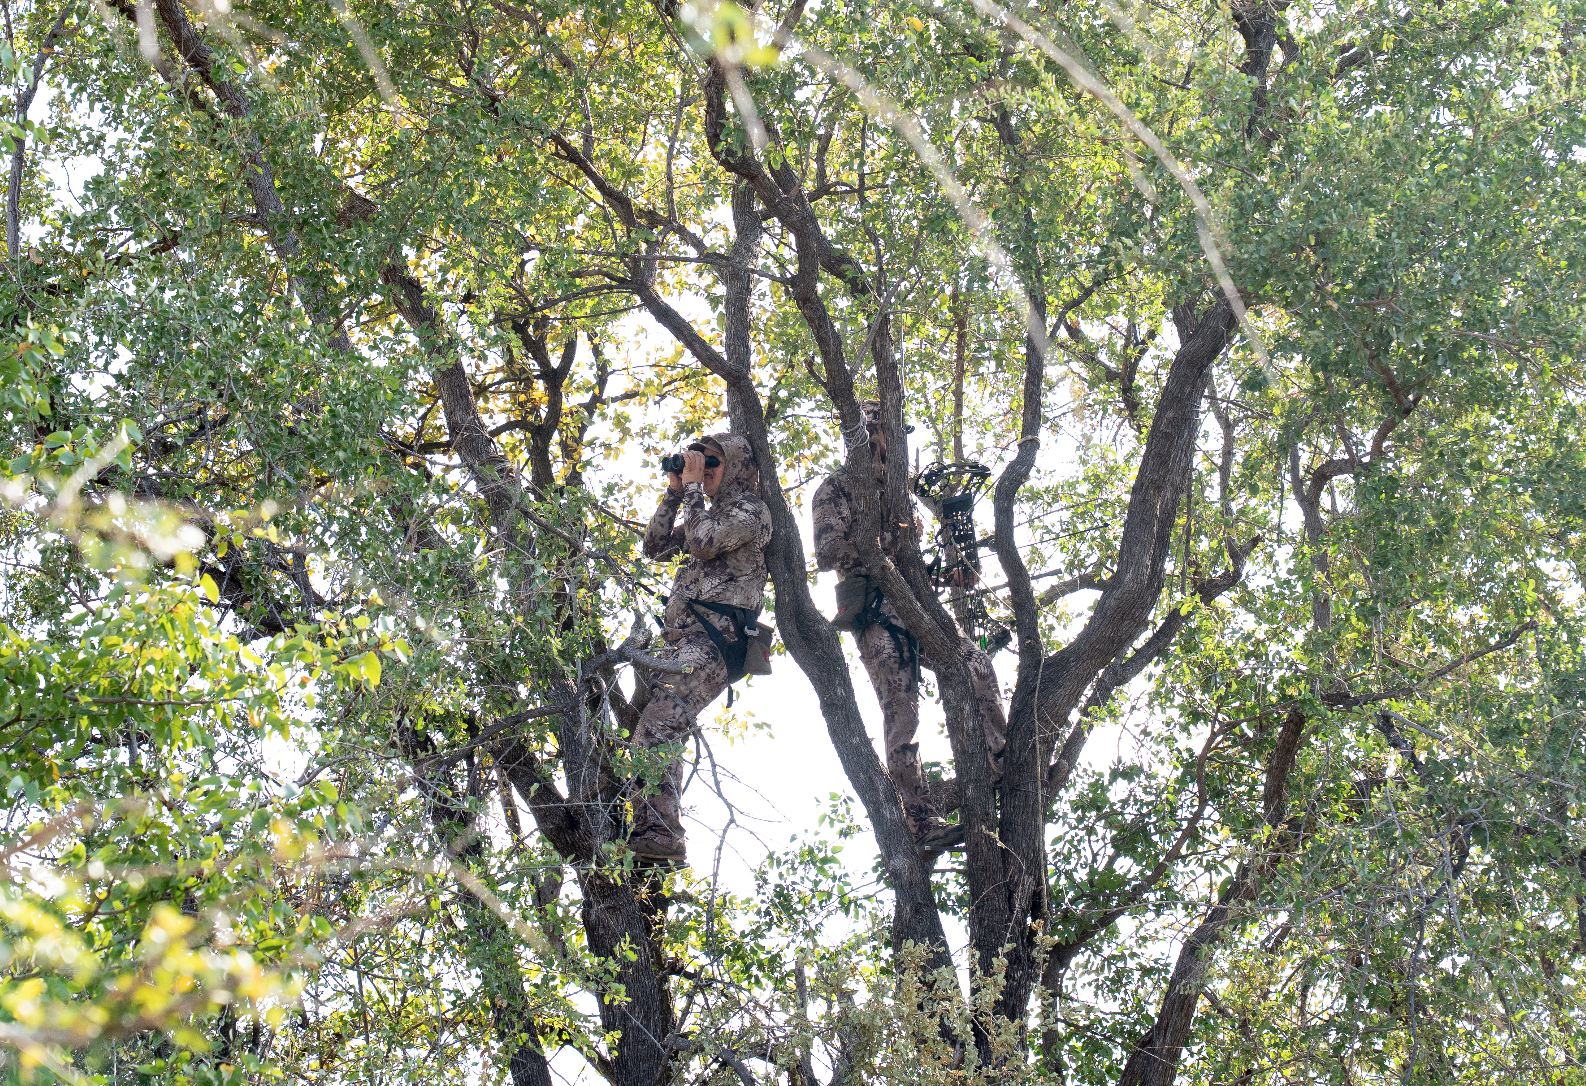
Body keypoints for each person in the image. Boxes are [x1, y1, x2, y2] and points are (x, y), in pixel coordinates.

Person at [812, 402, 1007, 853]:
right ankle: (919, 819)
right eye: (884, 433)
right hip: (878, 613)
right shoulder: (837, 487)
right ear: (865, 436)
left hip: (921, 607)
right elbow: (829, 551)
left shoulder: (899, 491)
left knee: (976, 665)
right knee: (903, 710)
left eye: (897, 434)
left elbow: (914, 564)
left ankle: (1003, 763)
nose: (891, 442)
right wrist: (885, 548)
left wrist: (948, 573)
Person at [631, 433, 771, 864]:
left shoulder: (751, 511)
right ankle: (651, 829)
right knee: (652, 728)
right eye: (698, 461)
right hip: (683, 642)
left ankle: (664, 834)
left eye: (713, 461)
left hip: (719, 639)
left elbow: (704, 544)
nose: (703, 469)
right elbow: (654, 548)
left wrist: (692, 489)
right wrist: (676, 492)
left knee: (657, 725)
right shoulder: (702, 513)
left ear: (737, 466)